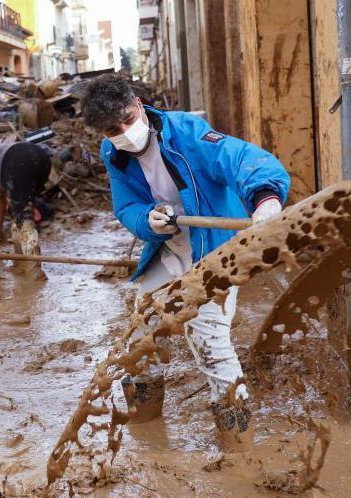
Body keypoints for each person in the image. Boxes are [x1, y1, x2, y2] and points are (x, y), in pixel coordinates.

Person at [81, 75, 290, 451]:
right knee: (140, 335)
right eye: (114, 129)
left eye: (129, 120)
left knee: (208, 340)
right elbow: (125, 204)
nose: (125, 132)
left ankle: (237, 444)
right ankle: (146, 427)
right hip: (169, 248)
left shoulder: (188, 132)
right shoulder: (112, 153)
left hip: (214, 250)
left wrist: (265, 198)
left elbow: (239, 158)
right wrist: (147, 220)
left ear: (140, 105)